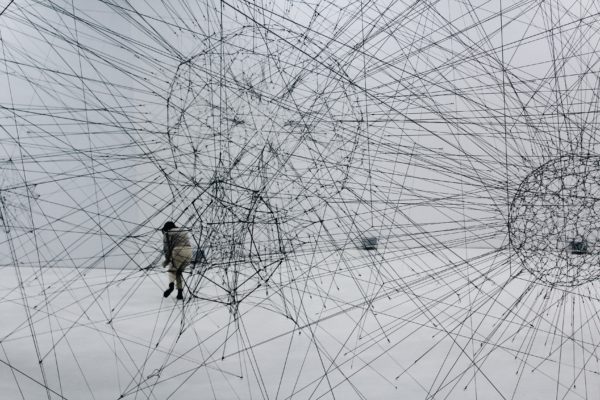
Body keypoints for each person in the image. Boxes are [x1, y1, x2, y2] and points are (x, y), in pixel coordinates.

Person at [161, 221, 192, 300]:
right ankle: (179, 293)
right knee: (178, 272)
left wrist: (167, 260)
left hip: (178, 251)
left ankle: (171, 287)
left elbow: (166, 249)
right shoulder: (183, 231)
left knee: (172, 271)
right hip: (189, 252)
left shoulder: (167, 233)